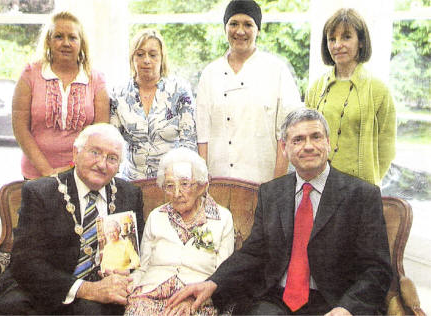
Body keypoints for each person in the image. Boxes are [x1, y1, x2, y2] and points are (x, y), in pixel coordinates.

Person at [167, 108, 392, 315]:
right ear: (285, 148)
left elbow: (377, 269)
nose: (309, 146)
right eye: (298, 140)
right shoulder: (271, 193)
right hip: (276, 299)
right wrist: (213, 283)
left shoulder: (361, 195)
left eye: (316, 137)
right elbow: (253, 253)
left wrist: (347, 308)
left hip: (333, 302)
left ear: (328, 142)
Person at [0, 123, 144, 315]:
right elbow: (26, 263)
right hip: (40, 288)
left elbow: (132, 256)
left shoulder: (129, 195)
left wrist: (121, 274)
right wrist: (85, 289)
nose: (102, 164)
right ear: (75, 153)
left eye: (112, 158)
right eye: (95, 153)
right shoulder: (41, 192)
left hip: (97, 294)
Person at [196, 0, 301, 184]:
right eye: (233, 24)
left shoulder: (276, 70)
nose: (240, 31)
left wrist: (276, 186)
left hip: (262, 179)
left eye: (248, 24)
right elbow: (202, 136)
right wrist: (203, 182)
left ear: (258, 29)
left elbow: (286, 135)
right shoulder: (210, 73)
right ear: (225, 27)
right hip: (218, 179)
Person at [124, 147, 234, 316]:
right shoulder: (156, 216)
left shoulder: (222, 218)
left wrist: (197, 299)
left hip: (198, 298)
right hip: (150, 295)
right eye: (169, 186)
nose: (176, 193)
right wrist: (128, 286)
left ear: (200, 186)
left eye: (184, 184)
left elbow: (224, 275)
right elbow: (143, 267)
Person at [13, 11, 110, 180]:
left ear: (81, 44)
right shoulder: (30, 74)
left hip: (82, 175)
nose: (66, 43)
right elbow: (20, 128)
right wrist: (47, 171)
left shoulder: (96, 79)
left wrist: (74, 170)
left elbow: (100, 134)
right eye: (59, 37)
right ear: (48, 42)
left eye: (72, 38)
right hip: (36, 175)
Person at [305, 8, 396, 186]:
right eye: (332, 39)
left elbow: (386, 149)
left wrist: (367, 187)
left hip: (360, 192)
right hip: (318, 187)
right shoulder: (315, 88)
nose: (338, 45)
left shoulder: (379, 90)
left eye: (346, 37)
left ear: (361, 41)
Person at [111, 28, 197, 180]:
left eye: (153, 55)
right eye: (140, 54)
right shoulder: (118, 94)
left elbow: (188, 142)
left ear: (162, 58)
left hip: (171, 181)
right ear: (132, 58)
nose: (146, 60)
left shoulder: (180, 90)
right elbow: (113, 143)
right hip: (131, 181)